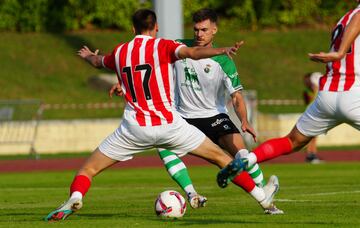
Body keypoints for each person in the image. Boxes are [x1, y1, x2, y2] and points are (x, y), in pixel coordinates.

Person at [45, 9, 278, 222]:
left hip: (133, 129)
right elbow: (194, 52)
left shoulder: (120, 52)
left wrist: (86, 55)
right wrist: (221, 50)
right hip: (170, 125)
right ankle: (262, 197)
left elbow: (97, 62)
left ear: (132, 28)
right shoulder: (163, 46)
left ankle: (75, 197)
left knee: (88, 170)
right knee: (222, 159)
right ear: (156, 27)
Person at [109, 8, 283, 215]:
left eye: (204, 30)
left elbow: (236, 96)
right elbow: (146, 64)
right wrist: (124, 84)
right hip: (183, 117)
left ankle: (266, 197)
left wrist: (244, 120)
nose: (199, 34)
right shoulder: (178, 48)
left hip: (214, 116)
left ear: (214, 30)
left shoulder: (224, 61)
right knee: (164, 149)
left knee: (241, 154)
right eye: (196, 29)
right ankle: (192, 194)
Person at [217, 1, 360, 186]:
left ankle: (248, 159)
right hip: (353, 93)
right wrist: (340, 53)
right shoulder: (355, 15)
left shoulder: (343, 19)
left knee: (291, 141)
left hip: (327, 96)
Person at [303, 72, 322, 163]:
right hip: (312, 114)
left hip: (314, 113)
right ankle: (311, 155)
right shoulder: (313, 92)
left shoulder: (315, 92)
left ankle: (312, 155)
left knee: (314, 136)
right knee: (312, 136)